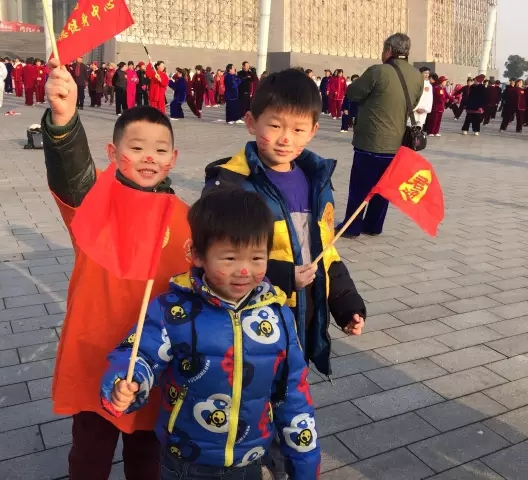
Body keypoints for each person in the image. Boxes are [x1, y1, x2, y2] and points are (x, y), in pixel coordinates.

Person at [202, 67, 365, 479]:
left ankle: (283, 464)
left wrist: (346, 303)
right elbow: (218, 256)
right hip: (250, 322)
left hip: (301, 320)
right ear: (251, 121)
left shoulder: (316, 180)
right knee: (253, 402)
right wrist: (282, 275)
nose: (284, 138)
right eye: (274, 125)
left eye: (297, 128)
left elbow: (325, 252)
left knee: (291, 401)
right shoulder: (231, 183)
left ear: (313, 130)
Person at [101, 188, 321, 480]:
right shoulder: (173, 310)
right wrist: (126, 381)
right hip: (186, 461)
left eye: (257, 258)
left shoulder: (278, 314)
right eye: (229, 258)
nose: (244, 270)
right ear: (197, 255)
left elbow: (292, 391)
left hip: (249, 460)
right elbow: (140, 354)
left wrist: (305, 462)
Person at [41, 57, 191, 479]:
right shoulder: (95, 205)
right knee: (90, 454)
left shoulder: (190, 219)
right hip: (96, 352)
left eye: (159, 150)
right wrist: (64, 119)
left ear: (173, 157)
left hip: (154, 359)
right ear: (113, 153)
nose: (149, 158)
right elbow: (72, 175)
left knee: (148, 456)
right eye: (136, 148)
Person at [337, 32, 423, 238]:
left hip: (371, 140)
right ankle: (373, 226)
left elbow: (353, 93)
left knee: (360, 187)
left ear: (389, 50)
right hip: (397, 143)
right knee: (384, 187)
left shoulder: (378, 71)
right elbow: (414, 103)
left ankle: (352, 227)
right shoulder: (417, 75)